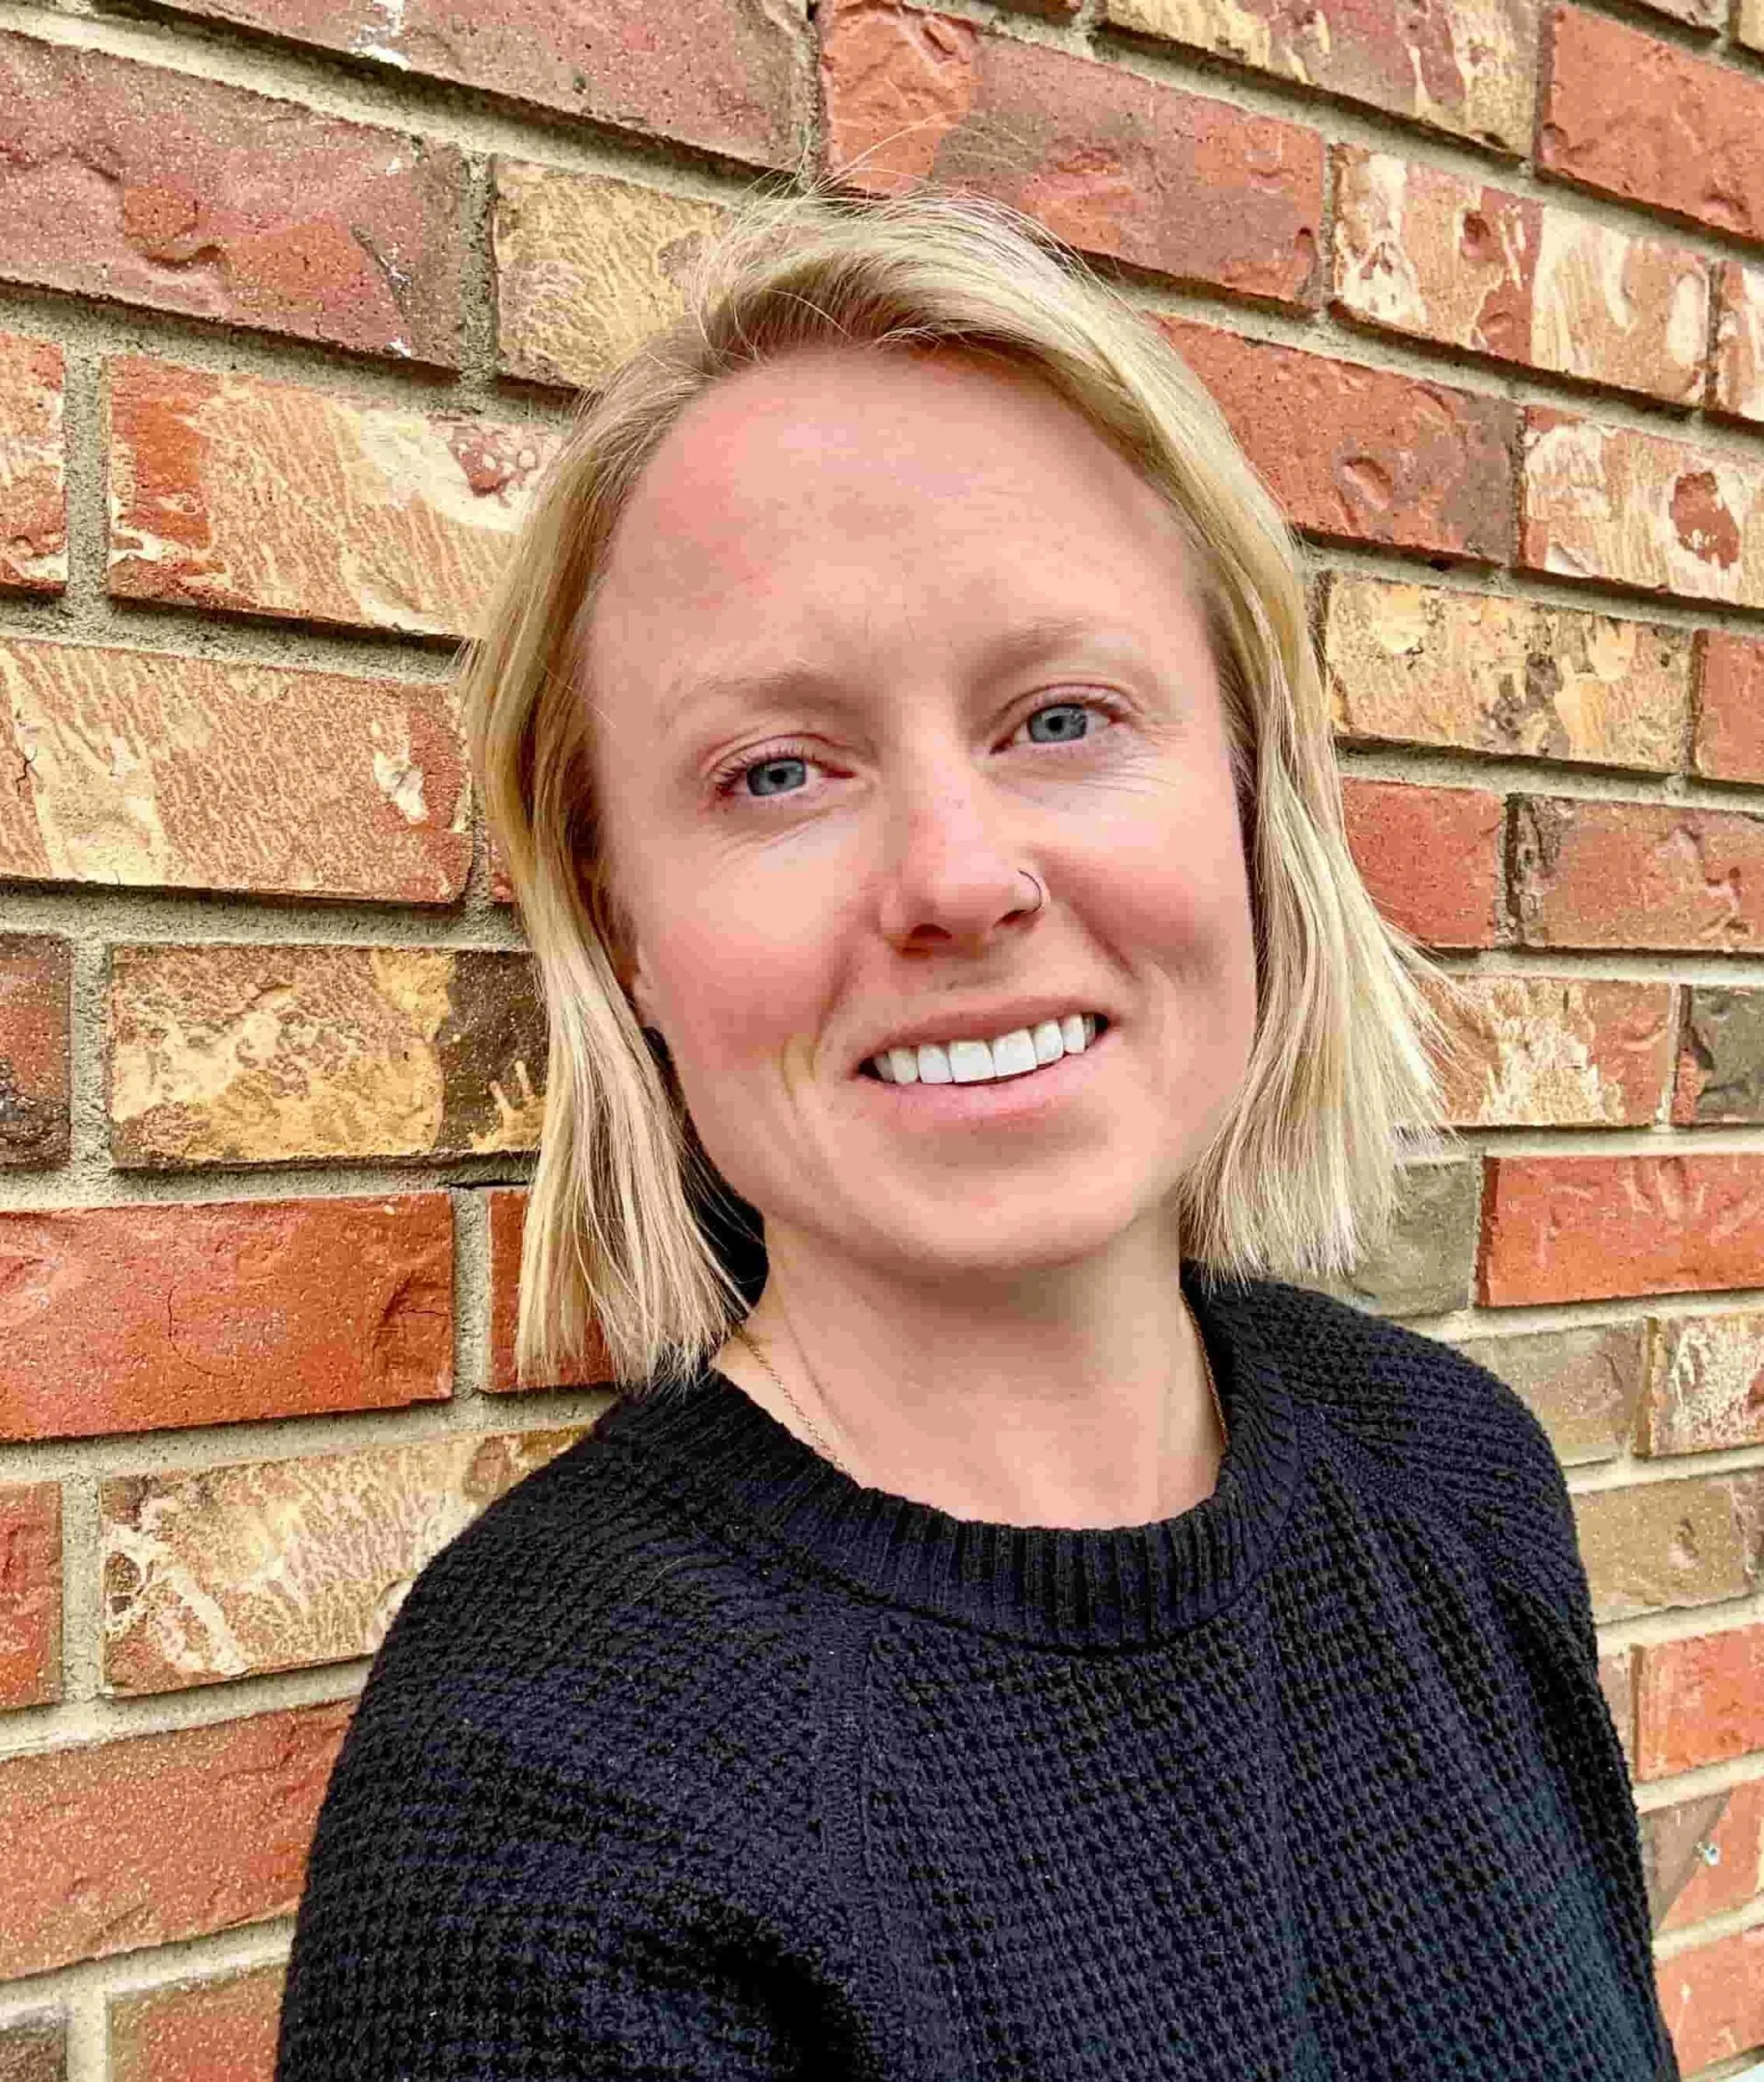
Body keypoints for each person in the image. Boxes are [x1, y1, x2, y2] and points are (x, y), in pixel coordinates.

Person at [273, 180, 1680, 2081]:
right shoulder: (548, 1776)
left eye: (1064, 715)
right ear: (624, 926)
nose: (954, 875)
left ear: (1252, 794)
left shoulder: (1456, 1481)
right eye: (778, 770)